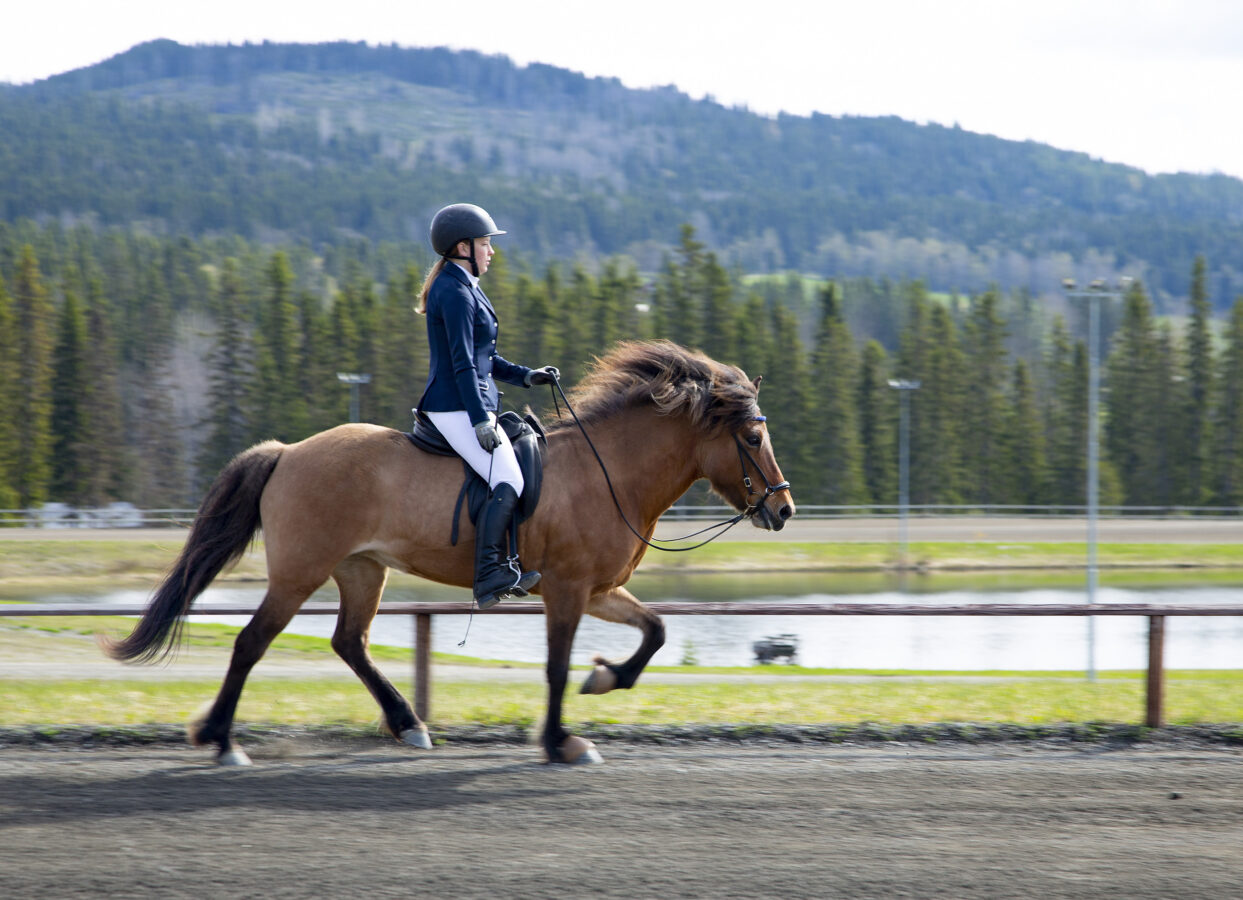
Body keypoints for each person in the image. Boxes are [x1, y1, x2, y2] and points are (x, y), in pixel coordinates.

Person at [415, 203, 559, 609]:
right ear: (463, 248)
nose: (491, 251)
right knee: (509, 479)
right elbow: (462, 365)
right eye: (484, 244)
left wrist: (528, 376)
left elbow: (485, 360)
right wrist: (480, 420)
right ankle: (490, 572)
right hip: (455, 406)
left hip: (469, 401)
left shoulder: (463, 286)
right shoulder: (453, 292)